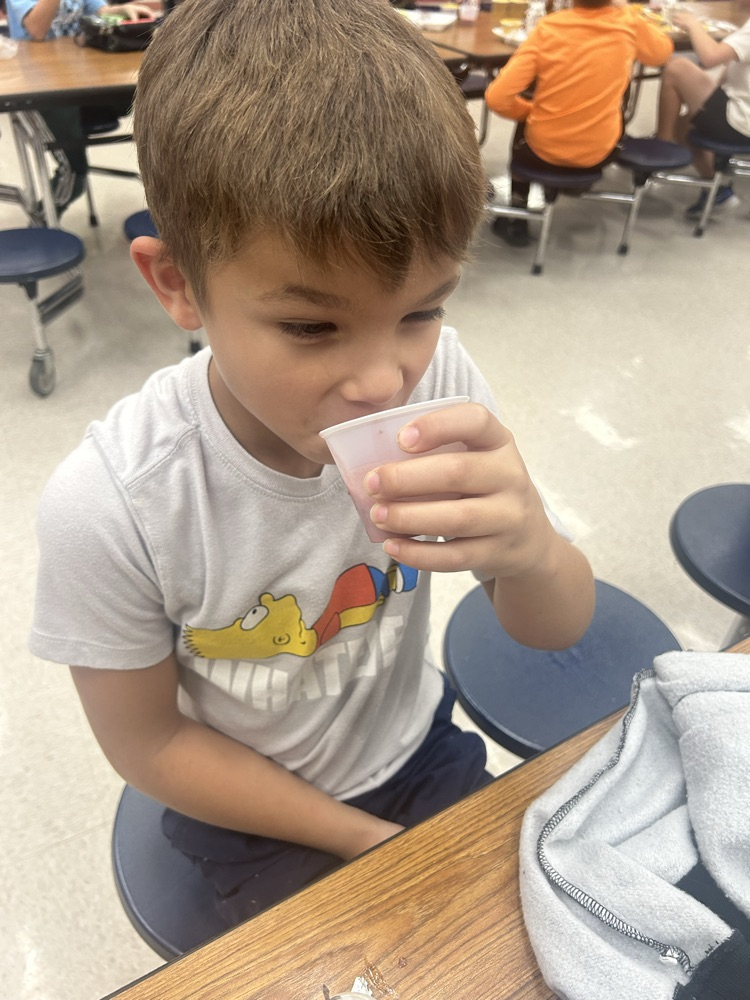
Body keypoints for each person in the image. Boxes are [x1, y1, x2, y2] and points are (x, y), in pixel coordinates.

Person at [30, 0, 595, 929]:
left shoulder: (441, 384)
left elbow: (554, 626)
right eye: (310, 326)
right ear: (177, 283)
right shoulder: (118, 505)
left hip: (414, 744)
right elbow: (150, 744)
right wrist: (359, 840)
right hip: (244, 802)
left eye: (422, 310)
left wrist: (530, 547)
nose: (382, 381)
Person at [485, 0, 673, 247]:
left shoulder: (549, 28)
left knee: (526, 122)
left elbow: (497, 98)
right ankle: (576, 183)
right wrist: (627, 10)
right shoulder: (628, 25)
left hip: (542, 151)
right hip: (601, 151)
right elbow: (661, 53)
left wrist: (529, 112)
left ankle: (517, 217)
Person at [6, 0, 151, 217]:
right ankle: (43, 220)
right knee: (74, 172)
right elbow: (37, 29)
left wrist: (122, 11)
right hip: (42, 91)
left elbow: (99, 11)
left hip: (84, 81)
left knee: (147, 95)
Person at [656, 2, 750, 219]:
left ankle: (661, 147)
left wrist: (692, 24)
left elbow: (710, 57)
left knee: (676, 67)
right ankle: (717, 191)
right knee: (683, 123)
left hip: (740, 121)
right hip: (741, 114)